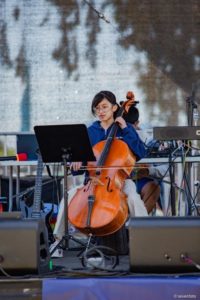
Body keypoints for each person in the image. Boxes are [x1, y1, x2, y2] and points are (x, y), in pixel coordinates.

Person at [53, 91, 148, 243]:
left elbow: (141, 152)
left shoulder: (126, 128)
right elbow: (79, 168)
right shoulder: (89, 132)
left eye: (104, 107)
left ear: (115, 108)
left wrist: (126, 129)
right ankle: (57, 240)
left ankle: (147, 238)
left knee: (134, 199)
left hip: (119, 181)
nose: (101, 111)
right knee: (69, 197)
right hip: (92, 182)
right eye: (97, 108)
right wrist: (76, 161)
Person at [124, 105, 168, 214]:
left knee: (154, 188)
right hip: (120, 180)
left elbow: (165, 168)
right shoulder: (116, 136)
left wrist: (148, 171)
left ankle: (139, 222)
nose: (128, 130)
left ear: (137, 124)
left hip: (142, 181)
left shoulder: (149, 139)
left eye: (130, 126)